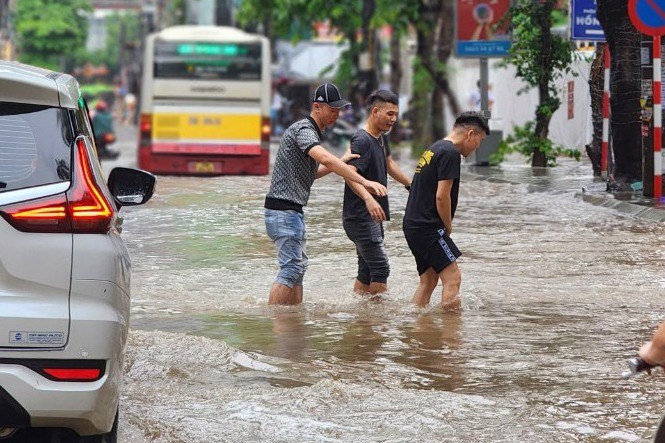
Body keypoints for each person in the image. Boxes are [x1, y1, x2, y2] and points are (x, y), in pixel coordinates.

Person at [264, 83, 388, 305]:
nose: (336, 115)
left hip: (291, 211)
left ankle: (292, 321)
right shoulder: (304, 130)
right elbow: (324, 159)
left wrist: (341, 161)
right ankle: (276, 324)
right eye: (332, 110)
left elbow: (311, 174)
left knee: (298, 269)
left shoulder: (311, 133)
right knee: (290, 269)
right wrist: (364, 181)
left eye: (338, 110)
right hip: (283, 211)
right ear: (316, 107)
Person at [402, 111, 490, 310]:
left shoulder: (435, 149)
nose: (478, 146)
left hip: (413, 225)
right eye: (480, 140)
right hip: (428, 227)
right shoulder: (450, 153)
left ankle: (418, 326)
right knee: (453, 278)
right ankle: (451, 335)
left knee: (429, 280)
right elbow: (442, 196)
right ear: (470, 134)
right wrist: (447, 227)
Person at [342, 90, 412, 296]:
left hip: (371, 216)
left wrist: (410, 185)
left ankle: (363, 319)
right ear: (375, 112)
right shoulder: (361, 140)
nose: (394, 119)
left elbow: (389, 163)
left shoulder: (380, 137)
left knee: (366, 271)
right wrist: (369, 199)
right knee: (381, 268)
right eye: (389, 114)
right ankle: (379, 324)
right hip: (361, 216)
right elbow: (349, 174)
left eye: (396, 114)